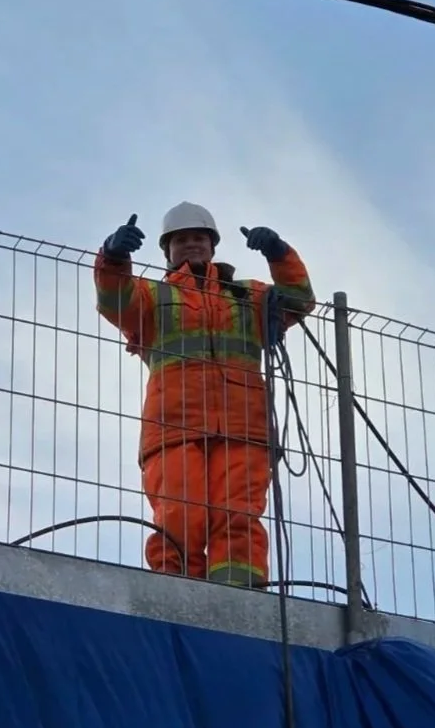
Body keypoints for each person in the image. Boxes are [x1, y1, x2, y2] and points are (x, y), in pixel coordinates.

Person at [94, 202, 315, 587]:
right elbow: (113, 300)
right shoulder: (152, 297)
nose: (191, 245)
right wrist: (112, 257)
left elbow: (299, 299)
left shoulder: (249, 296)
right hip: (174, 428)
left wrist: (279, 253)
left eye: (199, 238)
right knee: (180, 516)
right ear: (167, 250)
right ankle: (178, 595)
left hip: (244, 428)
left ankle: (240, 596)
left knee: (238, 515)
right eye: (181, 240)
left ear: (212, 245)